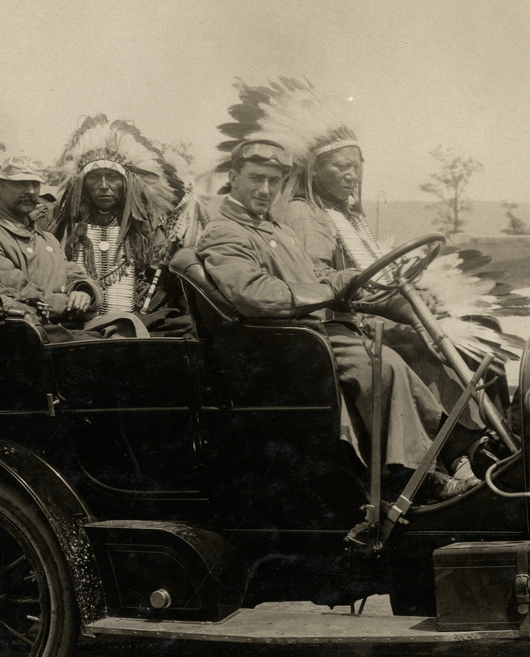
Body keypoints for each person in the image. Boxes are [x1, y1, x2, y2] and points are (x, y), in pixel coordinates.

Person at [197, 137, 475, 495]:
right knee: (381, 366)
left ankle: (455, 452)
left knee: (396, 358)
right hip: (286, 344)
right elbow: (256, 294)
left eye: (274, 181)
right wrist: (329, 291)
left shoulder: (276, 229)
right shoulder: (224, 232)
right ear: (234, 178)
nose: (265, 190)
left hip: (313, 333)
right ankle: (415, 480)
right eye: (256, 178)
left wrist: (351, 279)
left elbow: (314, 273)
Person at [49, 115, 205, 321]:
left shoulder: (147, 231)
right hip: (77, 324)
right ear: (82, 184)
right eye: (94, 177)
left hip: (133, 325)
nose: (103, 186)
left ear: (127, 183)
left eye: (112, 177)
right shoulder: (63, 229)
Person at [0, 152, 100, 324]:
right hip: (25, 325)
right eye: (20, 183)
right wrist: (64, 303)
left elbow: (73, 274)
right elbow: (11, 284)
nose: (30, 191)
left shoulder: (48, 239)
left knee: (126, 323)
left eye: (35, 184)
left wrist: (84, 293)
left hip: (63, 323)